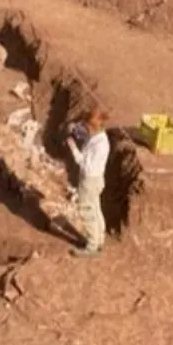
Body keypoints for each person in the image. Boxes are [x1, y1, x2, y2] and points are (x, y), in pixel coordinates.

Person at [65, 108, 111, 257]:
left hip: (89, 180)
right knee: (95, 208)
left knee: (86, 210)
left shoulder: (99, 145)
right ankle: (99, 239)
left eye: (85, 126)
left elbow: (84, 163)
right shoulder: (99, 137)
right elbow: (85, 139)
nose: (83, 129)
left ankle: (91, 246)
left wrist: (73, 148)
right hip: (97, 179)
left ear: (92, 127)